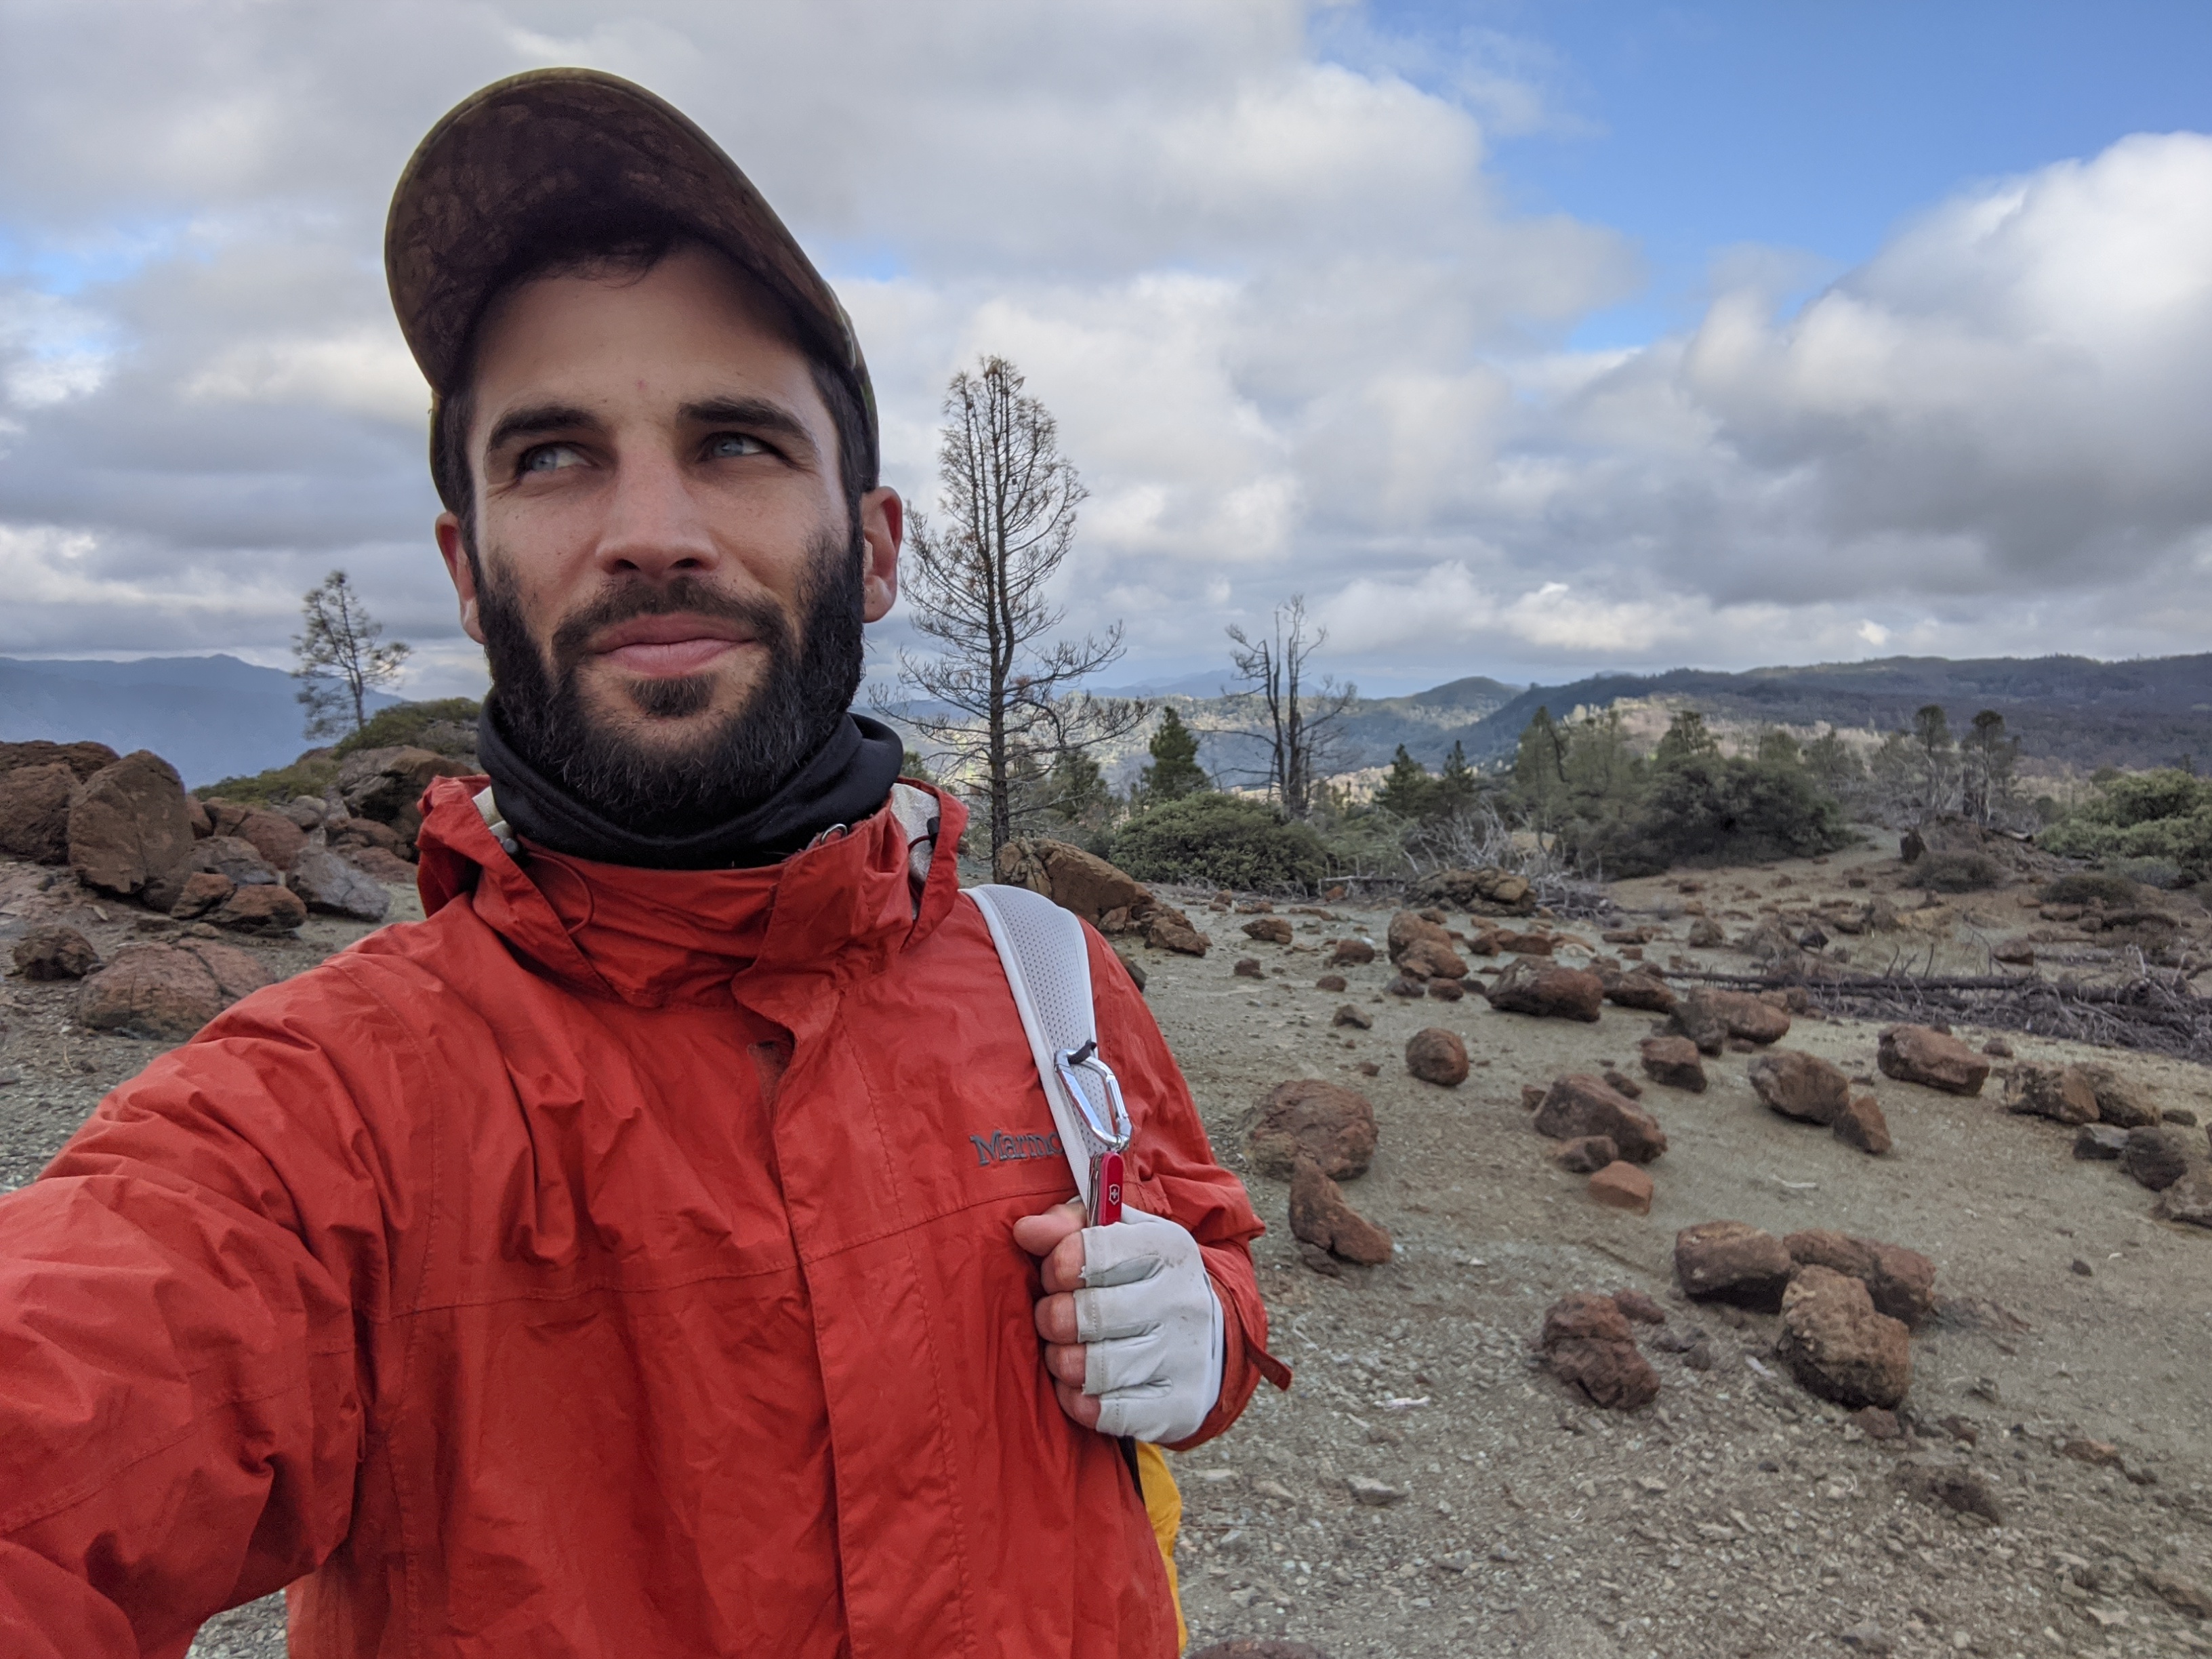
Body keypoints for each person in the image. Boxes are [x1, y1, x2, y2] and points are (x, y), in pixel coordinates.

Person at [0, 69, 1284, 1658]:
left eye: (735, 440)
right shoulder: (326, 1111)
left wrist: (1206, 1330)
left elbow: (1207, 1252)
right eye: (553, 456)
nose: (651, 528)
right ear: (470, 573)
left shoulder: (1046, 977)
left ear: (875, 548)